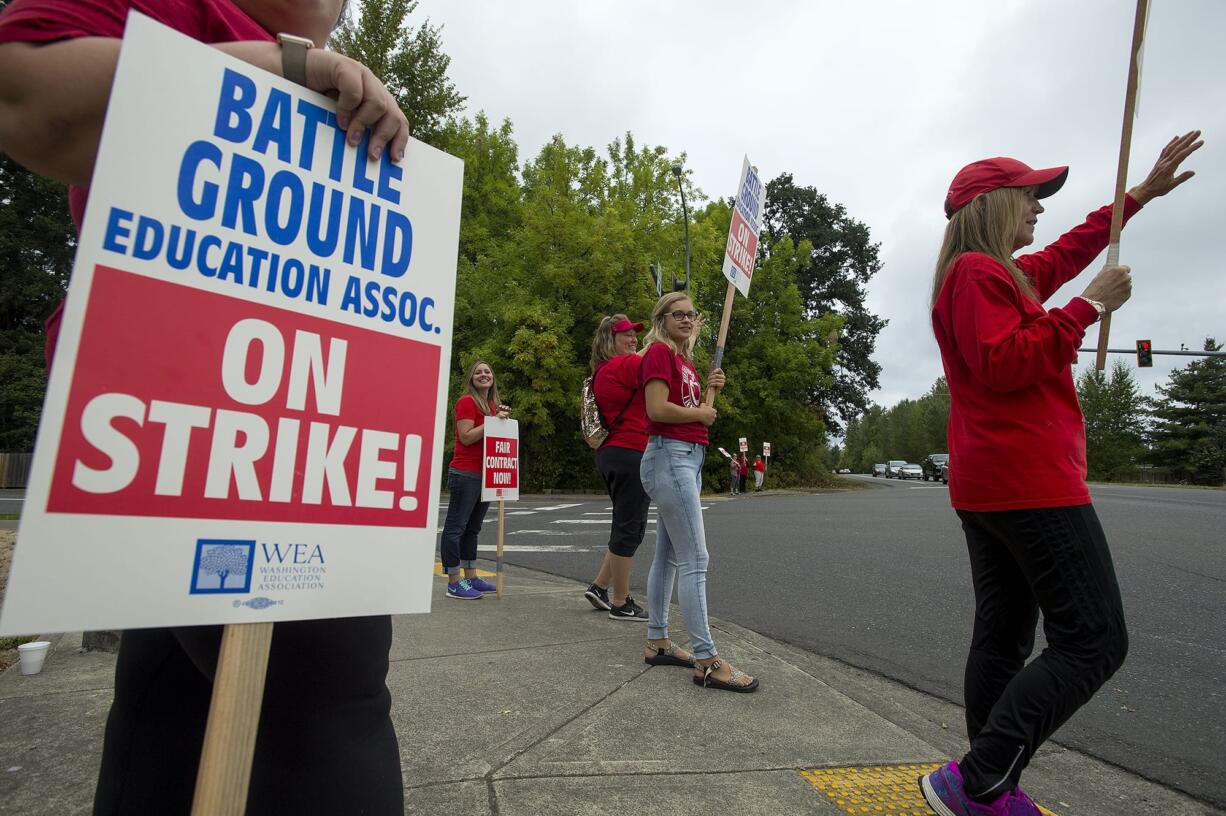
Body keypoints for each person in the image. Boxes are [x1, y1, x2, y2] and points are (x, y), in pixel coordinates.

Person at [0, 1, 412, 813]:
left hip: (292, 420)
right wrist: (287, 68)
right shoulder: (176, 10)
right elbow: (25, 97)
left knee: (169, 713)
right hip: (191, 414)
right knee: (330, 710)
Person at [920, 132, 1202, 816]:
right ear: (992, 206)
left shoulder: (1003, 274)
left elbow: (1076, 246)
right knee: (1096, 639)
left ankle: (987, 786)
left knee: (1006, 635)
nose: (1041, 207)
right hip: (1028, 483)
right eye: (1031, 196)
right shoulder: (975, 276)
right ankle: (980, 777)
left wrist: (1137, 196)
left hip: (995, 484)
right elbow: (1006, 363)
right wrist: (1088, 307)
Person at [639, 291, 758, 693]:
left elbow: (689, 406)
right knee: (696, 558)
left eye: (692, 315)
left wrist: (710, 389)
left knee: (670, 556)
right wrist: (700, 413)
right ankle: (707, 659)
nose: (688, 320)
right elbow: (656, 410)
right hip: (670, 456)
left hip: (686, 457)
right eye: (679, 315)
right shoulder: (658, 354)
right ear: (663, 319)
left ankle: (658, 641)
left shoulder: (682, 360)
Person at [582, 315, 651, 621]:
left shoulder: (603, 371)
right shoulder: (622, 366)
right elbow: (656, 359)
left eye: (635, 335)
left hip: (614, 452)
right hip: (630, 451)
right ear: (611, 340)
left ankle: (600, 586)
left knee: (629, 525)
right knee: (628, 526)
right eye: (627, 335)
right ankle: (622, 602)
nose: (634, 339)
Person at [440, 360, 510, 600]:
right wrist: (493, 421)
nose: (483, 375)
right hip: (465, 472)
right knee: (455, 527)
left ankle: (471, 576)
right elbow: (466, 437)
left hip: (486, 473)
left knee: (473, 528)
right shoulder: (466, 402)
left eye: (487, 371)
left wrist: (501, 420)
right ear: (471, 378)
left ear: (493, 377)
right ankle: (453, 581)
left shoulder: (491, 405)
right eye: (478, 372)